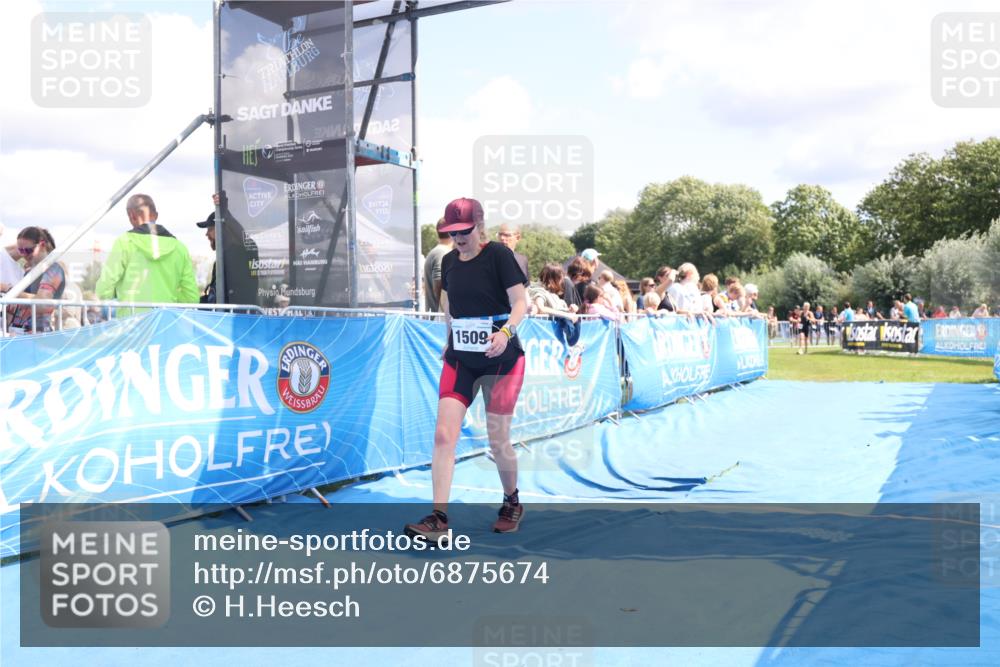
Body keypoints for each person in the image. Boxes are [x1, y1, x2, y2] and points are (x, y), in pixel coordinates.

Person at [405, 198, 528, 542]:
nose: (458, 238)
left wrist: (505, 333)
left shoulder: (499, 256)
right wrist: (448, 337)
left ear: (480, 225)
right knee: (444, 435)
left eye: (465, 231)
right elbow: (449, 304)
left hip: (502, 359)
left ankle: (511, 501)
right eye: (452, 232)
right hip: (462, 358)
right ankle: (438, 517)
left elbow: (521, 302)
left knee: (498, 438)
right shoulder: (448, 262)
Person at [96, 194, 199, 313]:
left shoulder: (124, 243)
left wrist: (118, 292)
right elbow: (191, 298)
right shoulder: (180, 248)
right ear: (156, 215)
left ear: (131, 216)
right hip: (166, 323)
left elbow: (103, 290)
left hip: (132, 323)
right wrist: (168, 297)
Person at [198, 193, 259, 306]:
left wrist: (224, 211)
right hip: (224, 319)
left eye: (210, 229)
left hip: (240, 319)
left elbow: (244, 238)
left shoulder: (243, 251)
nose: (206, 234)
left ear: (222, 229)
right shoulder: (221, 258)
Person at [3, 227, 66, 334]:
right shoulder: (29, 272)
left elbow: (42, 303)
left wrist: (8, 289)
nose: (24, 254)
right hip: (19, 336)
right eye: (21, 250)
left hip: (39, 337)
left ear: (42, 245)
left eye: (28, 250)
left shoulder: (53, 269)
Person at [423, 220, 453, 312]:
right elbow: (438, 286)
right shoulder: (443, 253)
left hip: (438, 320)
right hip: (439, 321)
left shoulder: (438, 252)